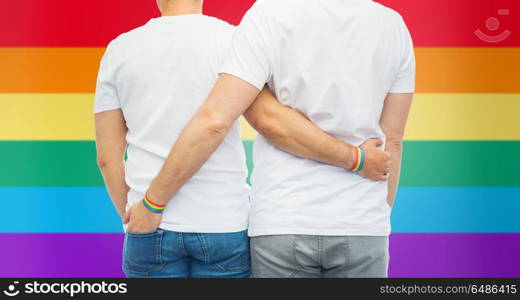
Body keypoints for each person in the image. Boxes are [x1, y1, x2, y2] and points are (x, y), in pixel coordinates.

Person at [124, 0, 415, 278]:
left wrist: (152, 203)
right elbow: (393, 141)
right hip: (362, 223)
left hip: (283, 220)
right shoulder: (392, 26)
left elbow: (235, 119)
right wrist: (374, 219)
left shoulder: (269, 13)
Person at [94, 0, 253, 278]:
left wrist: (133, 215)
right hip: (223, 221)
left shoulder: (119, 49)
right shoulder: (233, 40)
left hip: (150, 224)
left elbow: (107, 159)